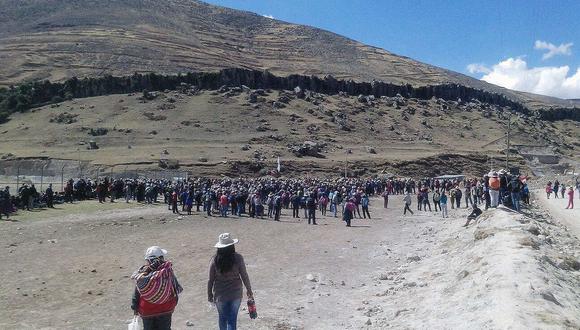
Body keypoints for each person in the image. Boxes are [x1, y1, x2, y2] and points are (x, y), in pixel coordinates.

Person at [208, 233, 254, 330]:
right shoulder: (238, 258)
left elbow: (210, 280)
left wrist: (209, 295)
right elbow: (244, 275)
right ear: (232, 246)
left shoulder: (214, 260)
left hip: (220, 295)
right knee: (232, 320)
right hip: (235, 294)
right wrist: (249, 290)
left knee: (222, 318)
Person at [131, 246, 182, 330]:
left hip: (147, 311)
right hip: (166, 309)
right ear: (161, 258)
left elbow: (137, 292)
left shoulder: (143, 274)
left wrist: (135, 308)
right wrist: (173, 303)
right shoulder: (167, 271)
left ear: (148, 260)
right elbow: (174, 289)